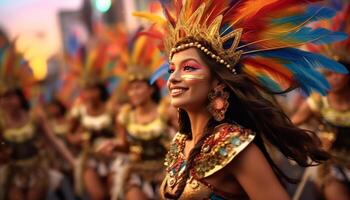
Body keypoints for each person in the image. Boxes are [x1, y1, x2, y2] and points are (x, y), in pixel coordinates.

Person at [134, 0, 348, 199]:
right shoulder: (180, 142)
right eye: (172, 70)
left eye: (188, 67)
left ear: (217, 82)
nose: (173, 78)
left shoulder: (234, 145)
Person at [98, 31, 178, 200]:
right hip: (137, 171)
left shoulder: (165, 111)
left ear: (150, 90)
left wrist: (172, 168)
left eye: (138, 87)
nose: (133, 93)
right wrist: (113, 145)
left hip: (167, 171)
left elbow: (184, 138)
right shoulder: (125, 115)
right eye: (131, 88)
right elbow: (126, 145)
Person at [0, 44, 75, 200]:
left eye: (10, 96)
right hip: (13, 173)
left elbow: (53, 141)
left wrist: (73, 164)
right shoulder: (1, 123)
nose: (7, 102)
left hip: (37, 170)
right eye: (3, 98)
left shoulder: (35, 116)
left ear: (20, 97)